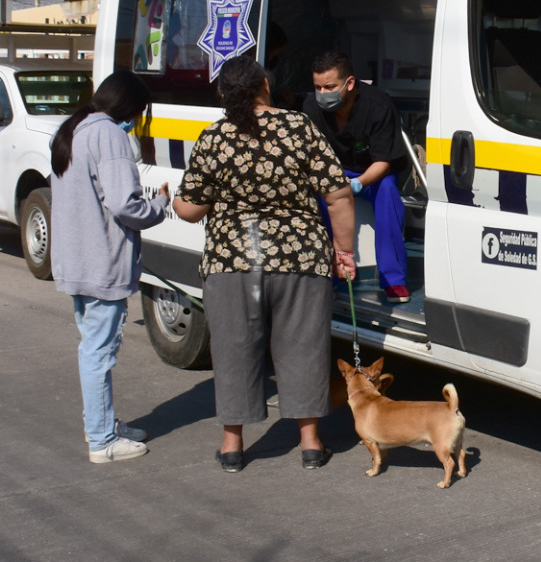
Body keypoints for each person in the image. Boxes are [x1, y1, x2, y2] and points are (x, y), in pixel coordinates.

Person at [172, 55, 357, 473]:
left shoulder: (215, 137)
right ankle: (310, 443)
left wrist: (175, 199)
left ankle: (233, 446)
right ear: (266, 87)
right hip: (300, 257)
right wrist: (343, 252)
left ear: (223, 94)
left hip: (232, 259)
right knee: (304, 346)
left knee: (234, 349)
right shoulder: (300, 127)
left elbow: (191, 209)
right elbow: (339, 196)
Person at [50, 71, 170, 463]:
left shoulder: (74, 128)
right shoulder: (110, 136)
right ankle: (102, 441)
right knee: (99, 353)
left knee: (93, 347)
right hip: (101, 261)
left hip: (76, 258)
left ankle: (99, 425)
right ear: (131, 108)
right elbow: (124, 204)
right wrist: (159, 205)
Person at [303, 52, 411, 303]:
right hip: (333, 172)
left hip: (372, 172)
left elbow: (384, 161)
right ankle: (327, 275)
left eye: (329, 87)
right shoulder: (311, 107)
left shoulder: (379, 105)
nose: (323, 93)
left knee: (388, 194)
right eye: (317, 87)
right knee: (317, 200)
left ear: (349, 83)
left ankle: (393, 279)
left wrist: (357, 184)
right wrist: (333, 184)